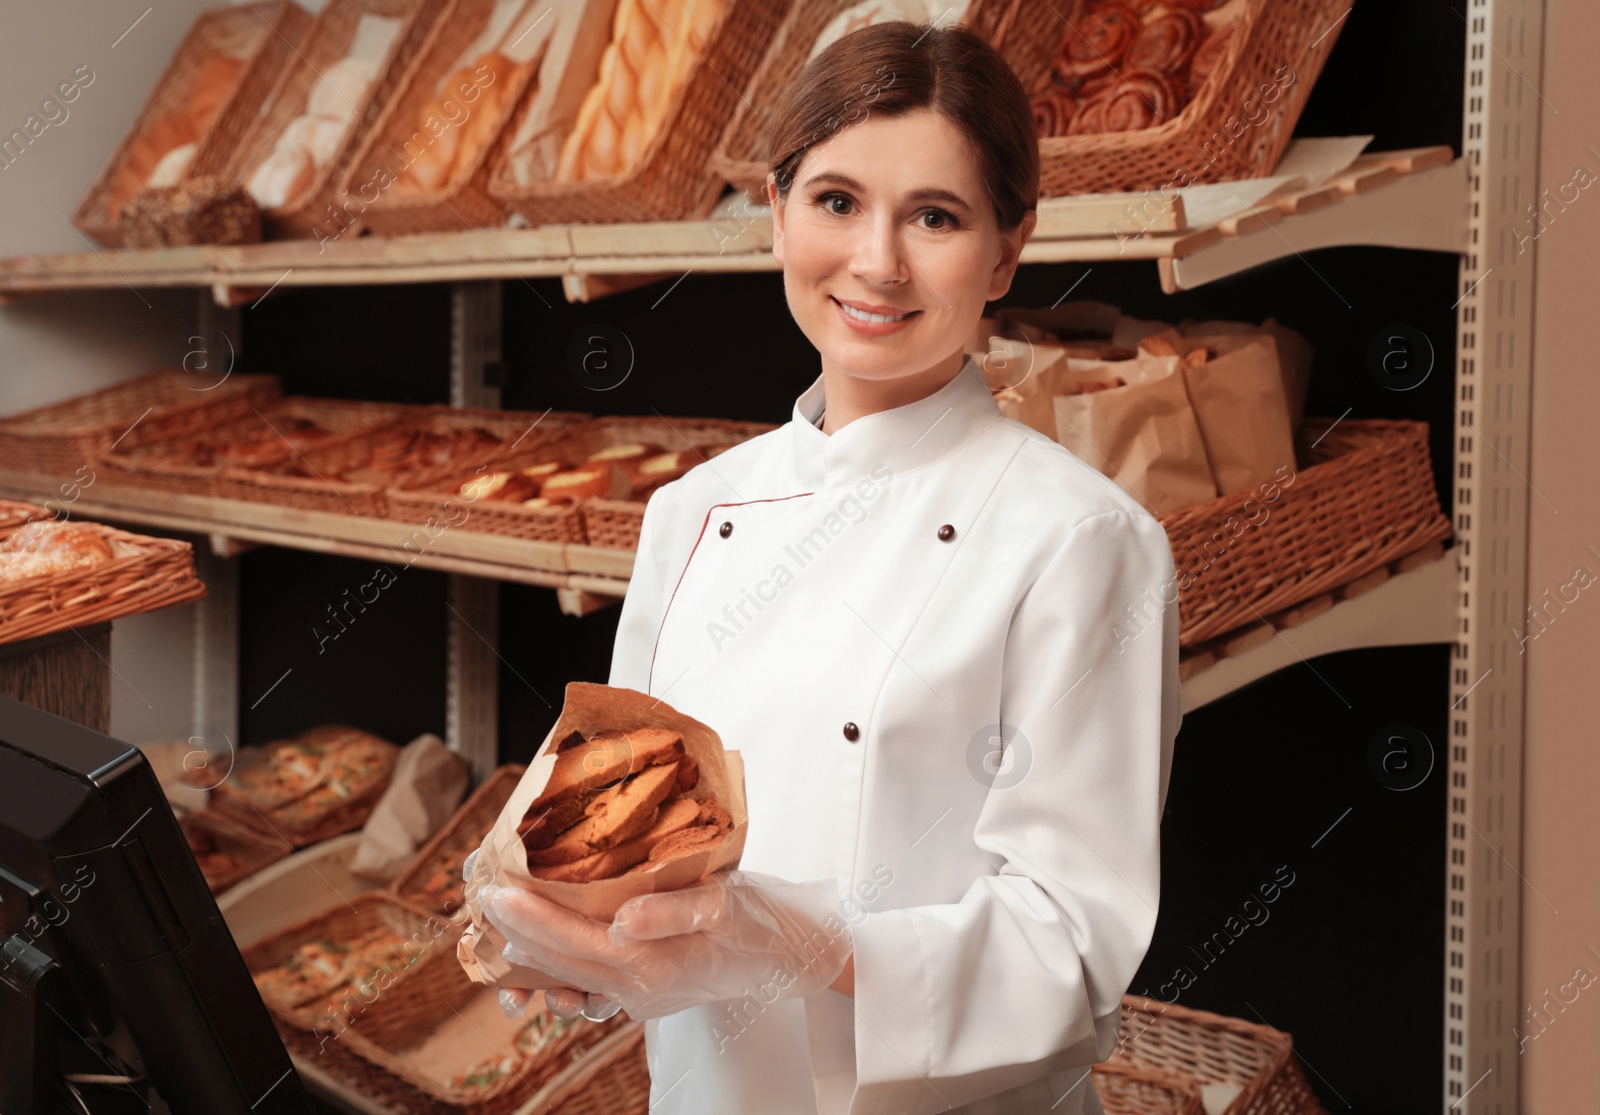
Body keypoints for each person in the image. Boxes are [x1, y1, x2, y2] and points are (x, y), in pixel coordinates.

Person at [477, 20, 1182, 1115]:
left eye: (934, 217)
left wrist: (793, 939)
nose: (877, 261)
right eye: (837, 201)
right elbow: (629, 833)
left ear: (1006, 251)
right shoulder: (690, 511)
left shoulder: (1079, 539)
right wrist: (554, 927)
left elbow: (1070, 949)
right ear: (777, 214)